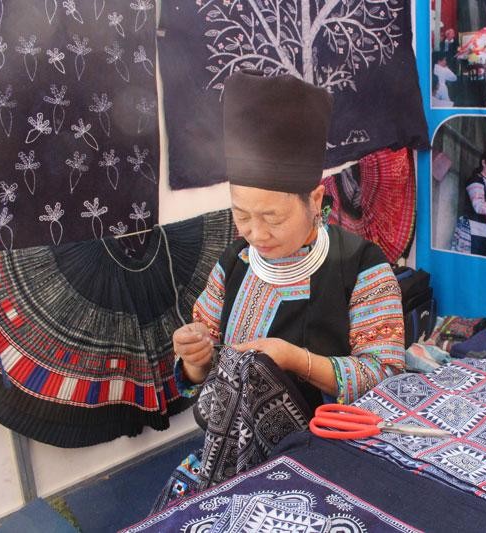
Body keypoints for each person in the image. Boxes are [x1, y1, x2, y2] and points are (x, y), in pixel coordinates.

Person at [164, 71, 406, 505]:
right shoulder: (232, 264)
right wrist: (194, 359)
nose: (255, 232)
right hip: (232, 458)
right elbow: (204, 378)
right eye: (242, 215)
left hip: (333, 458)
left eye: (272, 218)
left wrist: (293, 359)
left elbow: (385, 375)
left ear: (314, 201)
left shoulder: (361, 267)